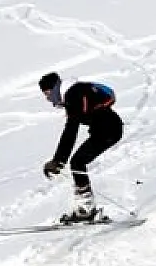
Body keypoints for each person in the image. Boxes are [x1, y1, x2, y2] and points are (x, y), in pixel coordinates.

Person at [38, 71, 123, 224]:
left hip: (108, 130)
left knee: (77, 163)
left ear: (55, 88)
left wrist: (58, 161)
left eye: (48, 93)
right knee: (78, 162)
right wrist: (59, 160)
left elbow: (70, 131)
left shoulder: (73, 95)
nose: (48, 98)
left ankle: (86, 210)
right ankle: (85, 208)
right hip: (106, 129)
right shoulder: (75, 92)